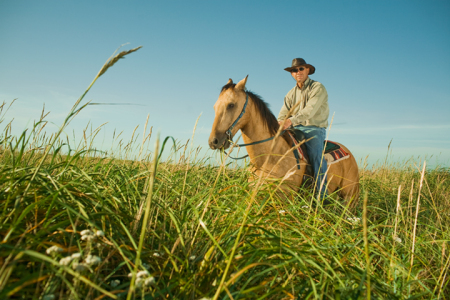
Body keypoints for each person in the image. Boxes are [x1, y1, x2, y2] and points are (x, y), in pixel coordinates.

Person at [277, 58, 329, 202]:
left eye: (301, 69)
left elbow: (309, 111)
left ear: (307, 70)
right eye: (294, 70)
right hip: (293, 128)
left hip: (313, 129)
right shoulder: (290, 94)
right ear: (292, 74)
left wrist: (289, 121)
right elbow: (283, 113)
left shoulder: (317, 87)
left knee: (315, 155)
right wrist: (279, 123)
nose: (298, 72)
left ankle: (323, 196)